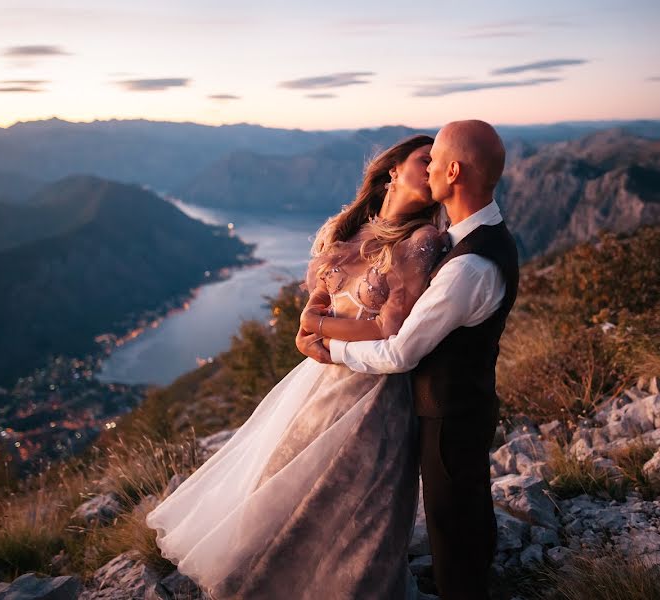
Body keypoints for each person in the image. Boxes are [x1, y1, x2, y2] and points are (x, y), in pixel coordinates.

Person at [146, 134, 448, 599]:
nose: (432, 171)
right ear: (393, 169)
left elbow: (390, 327)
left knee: (353, 503)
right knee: (282, 488)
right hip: (318, 383)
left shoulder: (422, 239)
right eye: (424, 160)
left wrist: (320, 330)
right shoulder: (346, 230)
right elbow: (314, 308)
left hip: (373, 394)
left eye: (438, 165)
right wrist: (312, 327)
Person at [307, 119, 520, 600]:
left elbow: (398, 348)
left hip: (446, 409)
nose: (430, 172)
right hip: (453, 403)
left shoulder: (465, 262)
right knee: (458, 512)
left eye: (435, 160)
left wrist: (322, 342)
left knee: (450, 519)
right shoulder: (475, 243)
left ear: (453, 171)